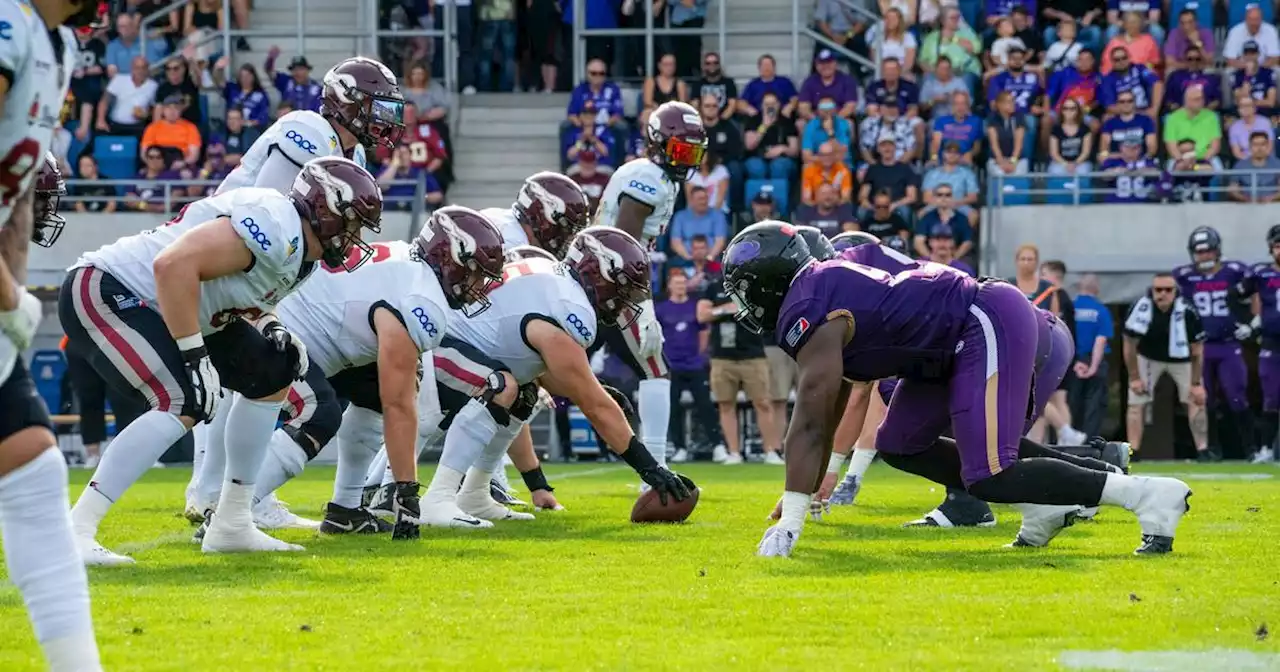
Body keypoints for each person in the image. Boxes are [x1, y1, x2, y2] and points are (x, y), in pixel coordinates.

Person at [725, 223, 1192, 559]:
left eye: (743, 288)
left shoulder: (806, 303)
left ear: (769, 280)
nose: (741, 301)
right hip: (939, 348)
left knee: (989, 472)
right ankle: (1041, 506)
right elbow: (828, 409)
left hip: (979, 318)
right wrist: (804, 488)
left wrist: (793, 522)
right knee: (899, 444)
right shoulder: (818, 290)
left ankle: (1147, 495)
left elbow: (809, 418)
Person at [64, 157, 382, 565]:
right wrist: (195, 356)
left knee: (274, 369)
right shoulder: (275, 223)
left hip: (178, 307)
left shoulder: (303, 256)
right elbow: (173, 265)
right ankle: (76, 530)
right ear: (325, 210)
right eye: (353, 223)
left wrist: (271, 325)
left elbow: (240, 297)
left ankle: (231, 521)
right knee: (184, 401)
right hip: (113, 287)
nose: (355, 237)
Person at [194, 208, 505, 538]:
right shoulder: (421, 301)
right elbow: (399, 403)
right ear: (452, 259)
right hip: (278, 331)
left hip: (309, 335)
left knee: (372, 394)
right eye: (475, 274)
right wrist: (406, 490)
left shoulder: (410, 269)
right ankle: (228, 516)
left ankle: (346, 509)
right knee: (319, 413)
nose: (479, 287)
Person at [391, 227, 695, 524]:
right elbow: (596, 407)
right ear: (600, 274)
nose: (625, 300)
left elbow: (535, 365)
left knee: (523, 393)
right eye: (623, 287)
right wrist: (651, 469)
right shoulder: (568, 307)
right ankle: (439, 496)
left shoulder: (552, 279)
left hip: (446, 345)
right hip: (431, 348)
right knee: (501, 386)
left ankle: (474, 493)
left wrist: (591, 390)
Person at [2, 8, 103, 660]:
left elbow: (13, 206)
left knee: (34, 468)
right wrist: (11, 299)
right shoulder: (9, 22)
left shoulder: (55, 41)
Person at [592, 100, 707, 476]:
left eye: (693, 151)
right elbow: (622, 246)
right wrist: (645, 305)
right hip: (606, 285)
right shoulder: (649, 177)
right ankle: (655, 470)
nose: (686, 159)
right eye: (680, 150)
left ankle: (481, 477)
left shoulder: (660, 177)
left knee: (529, 378)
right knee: (656, 371)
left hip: (601, 283)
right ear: (657, 143)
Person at [218, 57, 405, 195]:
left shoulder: (356, 153)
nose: (385, 120)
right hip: (221, 228)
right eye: (380, 108)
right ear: (348, 101)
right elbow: (265, 211)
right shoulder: (307, 130)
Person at [1174, 226, 1255, 460]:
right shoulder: (1183, 276)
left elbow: (1256, 291)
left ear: (1217, 251)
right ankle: (1210, 450)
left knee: (1237, 396)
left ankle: (1251, 449)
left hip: (1229, 344)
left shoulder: (1235, 271)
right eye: (1199, 252)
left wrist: (1250, 321)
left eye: (1208, 251)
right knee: (1203, 399)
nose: (1204, 256)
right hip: (1201, 347)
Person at [698, 262, 781, 465]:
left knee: (763, 403)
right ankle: (734, 453)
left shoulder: (754, 285)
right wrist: (725, 309)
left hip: (753, 354)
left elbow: (768, 313)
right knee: (726, 405)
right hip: (722, 357)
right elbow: (702, 315)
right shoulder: (714, 287)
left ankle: (771, 451)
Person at [1123, 273, 1208, 457]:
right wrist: (1135, 378)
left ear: (1176, 292)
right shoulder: (1140, 309)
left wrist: (1195, 383)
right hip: (1148, 357)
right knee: (1136, 402)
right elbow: (1129, 344)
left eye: (1168, 290)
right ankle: (1133, 450)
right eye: (1158, 290)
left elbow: (1197, 350)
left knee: (1196, 400)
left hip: (1182, 358)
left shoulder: (1187, 311)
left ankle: (1203, 449)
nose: (1162, 294)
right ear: (1151, 291)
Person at [657, 271, 716, 463]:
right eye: (677, 283)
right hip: (671, 366)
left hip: (694, 364)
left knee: (705, 405)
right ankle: (680, 447)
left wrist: (699, 354)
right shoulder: (661, 309)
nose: (681, 286)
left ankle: (718, 445)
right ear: (670, 286)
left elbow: (703, 332)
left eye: (683, 283)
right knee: (672, 407)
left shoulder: (694, 306)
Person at [1245, 226, 1280, 463]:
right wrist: (1255, 321)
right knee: (1271, 398)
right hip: (1272, 341)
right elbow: (1242, 294)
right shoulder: (1261, 274)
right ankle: (1266, 449)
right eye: (1278, 245)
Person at [1070, 274, 1112, 438]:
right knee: (1094, 405)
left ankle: (1070, 442)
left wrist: (1074, 362)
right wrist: (1093, 366)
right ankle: (1089, 442)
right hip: (1094, 360)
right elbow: (1100, 340)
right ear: (1097, 289)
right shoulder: (1101, 310)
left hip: (1072, 361)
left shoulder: (1071, 308)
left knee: (1071, 403)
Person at [743, 92, 799, 183]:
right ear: (762, 106)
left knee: (778, 167)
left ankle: (777, 197)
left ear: (778, 105)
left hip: (781, 159)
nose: (770, 107)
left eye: (773, 104)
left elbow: (795, 151)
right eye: (767, 104)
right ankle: (760, 197)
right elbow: (749, 146)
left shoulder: (787, 122)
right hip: (757, 157)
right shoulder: (754, 120)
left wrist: (783, 149)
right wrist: (764, 126)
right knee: (756, 167)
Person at [95, 55, 157, 136]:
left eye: (143, 67)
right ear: (132, 68)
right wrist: (100, 119)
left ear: (148, 69)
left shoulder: (153, 86)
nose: (140, 71)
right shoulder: (119, 79)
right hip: (115, 124)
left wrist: (146, 114)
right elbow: (104, 101)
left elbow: (155, 108)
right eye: (137, 67)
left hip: (138, 126)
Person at [1162, 86, 1221, 169]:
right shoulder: (1173, 118)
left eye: (1202, 98)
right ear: (1187, 101)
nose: (1201, 102)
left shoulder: (1211, 117)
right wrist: (1182, 161)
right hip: (1180, 159)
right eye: (1196, 99)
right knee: (1172, 168)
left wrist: (1203, 161)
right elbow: (1172, 148)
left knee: (1217, 168)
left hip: (1205, 159)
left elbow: (1215, 146)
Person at [921, 141, 980, 224]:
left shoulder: (967, 173)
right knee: (922, 214)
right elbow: (926, 198)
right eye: (949, 152)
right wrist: (943, 204)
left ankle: (965, 236)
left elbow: (973, 197)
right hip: (936, 205)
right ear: (943, 154)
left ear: (960, 156)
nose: (952, 155)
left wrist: (955, 203)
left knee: (973, 215)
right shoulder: (932, 173)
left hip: (959, 204)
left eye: (955, 153)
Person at [141, 94, 202, 168]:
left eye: (176, 108)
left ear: (181, 110)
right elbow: (144, 153)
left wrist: (183, 163)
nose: (172, 111)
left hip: (182, 164)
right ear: (163, 110)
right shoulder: (152, 128)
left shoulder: (190, 127)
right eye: (168, 108)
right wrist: (155, 164)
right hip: (157, 164)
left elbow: (194, 155)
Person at [1100, 47, 1162, 118]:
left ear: (1129, 58)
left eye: (1124, 58)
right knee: (1107, 117)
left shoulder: (1140, 68)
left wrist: (1155, 109)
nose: (1121, 61)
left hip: (1145, 109)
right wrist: (1135, 113)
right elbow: (1110, 107)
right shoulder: (1107, 79)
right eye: (1117, 60)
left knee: (1152, 114)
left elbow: (1157, 84)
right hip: (1122, 113)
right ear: (1112, 62)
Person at [738, 54, 799, 121]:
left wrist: (789, 107)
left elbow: (795, 99)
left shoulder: (785, 82)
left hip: (782, 118)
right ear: (759, 68)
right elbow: (741, 103)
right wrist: (749, 110)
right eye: (764, 65)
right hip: (759, 118)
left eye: (769, 65)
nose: (766, 68)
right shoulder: (752, 84)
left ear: (774, 67)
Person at [912, 195, 972, 259]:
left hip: (955, 259)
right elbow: (918, 242)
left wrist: (953, 260)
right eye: (940, 195)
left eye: (948, 195)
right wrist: (931, 260)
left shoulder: (961, 218)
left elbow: (967, 242)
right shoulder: (927, 217)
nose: (944, 198)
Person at [1227, 132, 1280, 203]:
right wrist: (1245, 199)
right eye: (1255, 144)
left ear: (1268, 146)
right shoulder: (1240, 165)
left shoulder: (1277, 164)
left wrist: (1271, 198)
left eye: (1263, 144)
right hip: (1246, 207)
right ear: (1250, 146)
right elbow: (1233, 189)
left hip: (1273, 206)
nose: (1259, 148)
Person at [1099, 89, 1156, 156]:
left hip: (1141, 160)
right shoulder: (1109, 123)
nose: (1126, 104)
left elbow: (1152, 146)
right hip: (1116, 161)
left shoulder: (1146, 121)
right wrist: (1108, 157)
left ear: (1134, 102)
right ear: (1117, 103)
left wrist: (1145, 157)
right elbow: (1104, 148)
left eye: (1130, 101)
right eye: (1122, 101)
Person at [986, 90, 1029, 176]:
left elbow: (1018, 145)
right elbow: (994, 145)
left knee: (1018, 173)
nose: (1012, 104)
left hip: (1017, 159)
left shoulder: (1019, 117)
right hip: (997, 158)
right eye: (1009, 102)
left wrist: (1013, 162)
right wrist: (1002, 162)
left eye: (1013, 101)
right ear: (999, 105)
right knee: (999, 173)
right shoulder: (992, 119)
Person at [1049, 98, 1094, 175]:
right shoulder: (1056, 129)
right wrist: (1065, 164)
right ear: (1061, 111)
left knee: (1083, 171)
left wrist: (1075, 164)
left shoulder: (1085, 129)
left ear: (1077, 111)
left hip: (1080, 162)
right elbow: (1054, 153)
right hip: (1060, 162)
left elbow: (1086, 152)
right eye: (1065, 108)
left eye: (1072, 109)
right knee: (1056, 171)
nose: (1068, 111)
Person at [793, 183, 857, 237]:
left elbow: (852, 234)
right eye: (823, 193)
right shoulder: (805, 211)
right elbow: (799, 235)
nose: (827, 196)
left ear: (837, 196)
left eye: (831, 193)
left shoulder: (844, 210)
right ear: (816, 197)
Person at [803, 140, 854, 207]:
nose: (826, 158)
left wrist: (829, 201)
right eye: (823, 155)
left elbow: (845, 198)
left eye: (829, 154)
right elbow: (807, 199)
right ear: (819, 156)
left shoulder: (843, 170)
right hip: (815, 208)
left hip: (837, 207)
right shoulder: (809, 170)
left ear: (834, 155)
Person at [690, 52, 738, 121]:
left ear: (719, 65)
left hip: (725, 121)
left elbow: (732, 105)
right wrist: (703, 121)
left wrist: (720, 121)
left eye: (715, 63)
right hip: (702, 121)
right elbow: (694, 106)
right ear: (704, 66)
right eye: (708, 63)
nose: (712, 65)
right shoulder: (697, 84)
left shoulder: (729, 82)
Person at [1227, 98, 1274, 163]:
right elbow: (1236, 153)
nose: (1245, 108)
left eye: (1248, 105)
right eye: (1242, 106)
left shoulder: (1265, 122)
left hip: (1266, 160)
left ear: (1254, 108)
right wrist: (1250, 162)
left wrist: (1258, 161)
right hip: (1245, 161)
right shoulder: (1234, 127)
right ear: (1238, 109)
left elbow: (1269, 148)